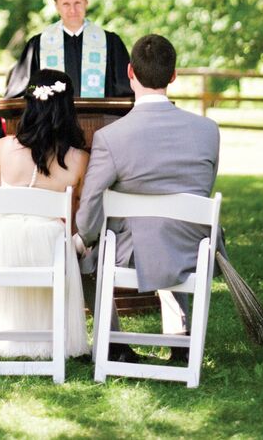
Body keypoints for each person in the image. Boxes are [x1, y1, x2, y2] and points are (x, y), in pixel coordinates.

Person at [75, 34, 222, 362]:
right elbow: (203, 190)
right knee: (172, 228)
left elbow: (89, 213)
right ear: (173, 76)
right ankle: (180, 338)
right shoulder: (208, 131)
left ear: (130, 72)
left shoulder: (111, 137)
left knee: (82, 250)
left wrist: (84, 237)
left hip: (134, 252)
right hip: (193, 248)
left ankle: (114, 344)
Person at [0, 69, 90, 359]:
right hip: (50, 248)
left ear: (31, 102)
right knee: (63, 243)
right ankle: (52, 340)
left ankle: (3, 338)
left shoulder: (2, 147)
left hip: (4, 244)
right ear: (67, 106)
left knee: (2, 233)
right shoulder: (79, 158)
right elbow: (74, 215)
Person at [0, 0, 132, 164]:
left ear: (86, 2)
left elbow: (125, 90)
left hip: (100, 129)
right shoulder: (39, 44)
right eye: (66, 4)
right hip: (51, 127)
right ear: (56, 6)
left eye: (78, 3)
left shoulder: (110, 43)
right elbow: (20, 90)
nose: (72, 10)